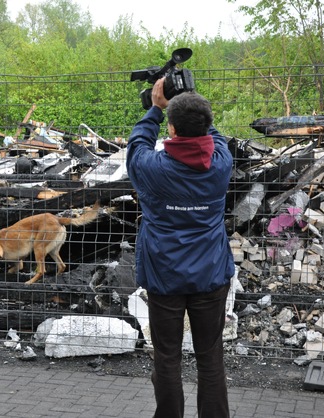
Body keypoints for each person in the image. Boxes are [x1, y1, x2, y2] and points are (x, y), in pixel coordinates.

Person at [126, 78, 235, 418]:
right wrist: (193, 108)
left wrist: (156, 107)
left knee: (167, 358)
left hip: (165, 276)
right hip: (211, 274)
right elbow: (212, 136)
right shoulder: (221, 163)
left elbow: (137, 144)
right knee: (210, 357)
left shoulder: (152, 168)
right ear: (205, 125)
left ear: (171, 129)